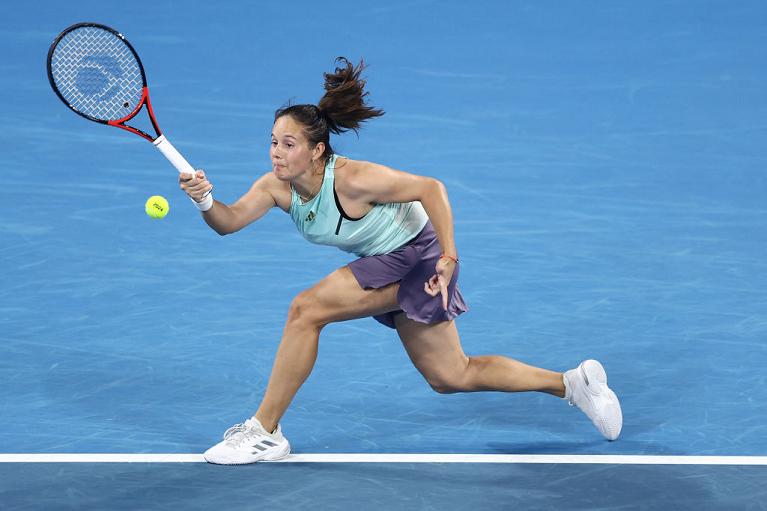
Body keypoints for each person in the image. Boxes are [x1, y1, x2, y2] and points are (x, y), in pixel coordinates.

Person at [179, 58, 623, 465]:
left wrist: (449, 257)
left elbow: (432, 188)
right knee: (451, 376)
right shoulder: (277, 186)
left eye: (288, 143)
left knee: (306, 309)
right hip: (381, 261)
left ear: (316, 151)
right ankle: (572, 383)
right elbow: (229, 222)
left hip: (419, 259)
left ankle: (265, 431)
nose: (276, 152)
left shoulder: (354, 179)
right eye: (273, 142)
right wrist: (205, 200)